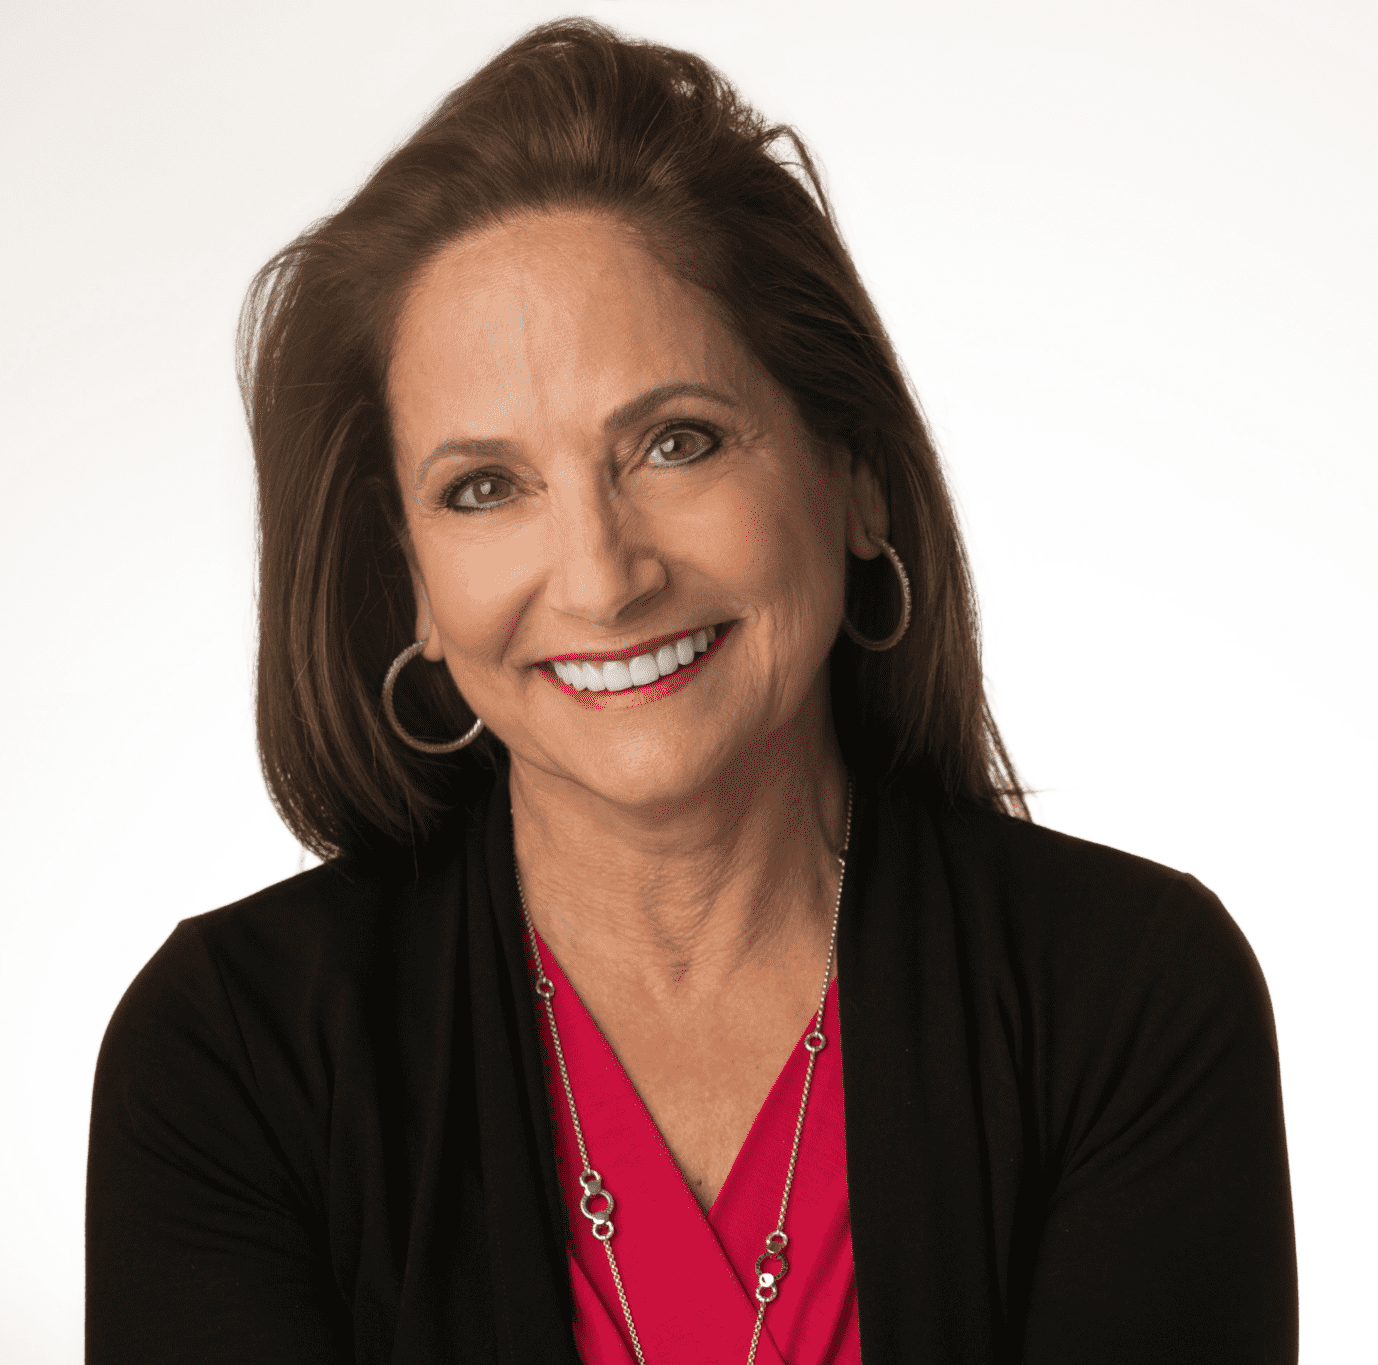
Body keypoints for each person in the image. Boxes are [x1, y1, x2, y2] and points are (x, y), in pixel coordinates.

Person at [85, 19, 1297, 1364]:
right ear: (411, 579)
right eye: (484, 488)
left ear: (852, 473)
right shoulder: (230, 1057)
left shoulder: (1127, 999)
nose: (603, 579)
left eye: (676, 442)